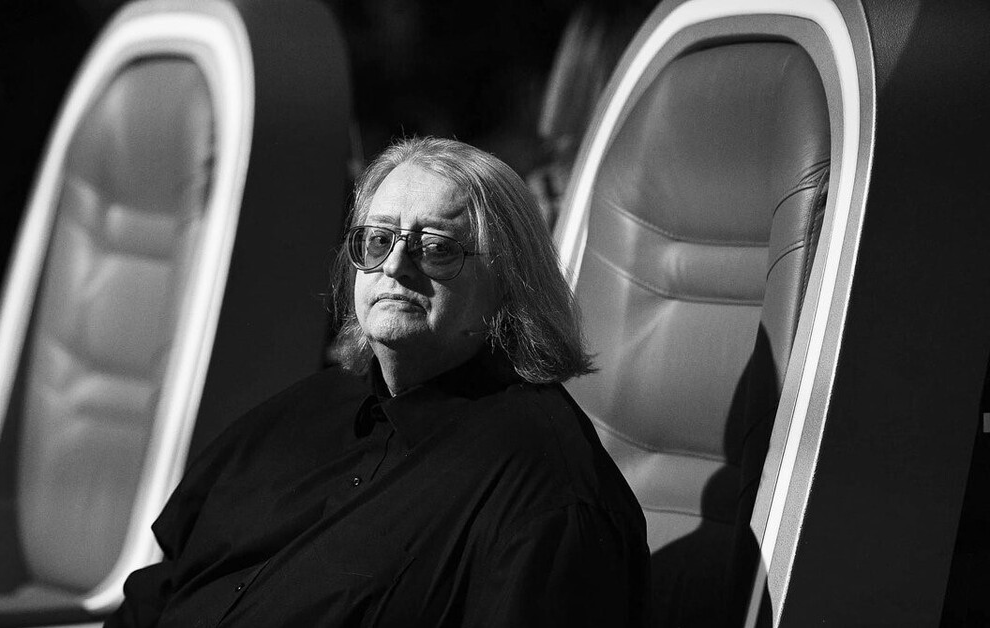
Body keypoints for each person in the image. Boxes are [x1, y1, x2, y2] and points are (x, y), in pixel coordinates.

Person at [106, 137, 649, 627]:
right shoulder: (300, 411)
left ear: (511, 280)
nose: (395, 266)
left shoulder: (549, 489)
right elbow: (158, 594)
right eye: (377, 240)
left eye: (436, 247)